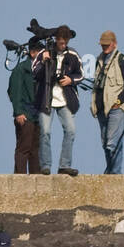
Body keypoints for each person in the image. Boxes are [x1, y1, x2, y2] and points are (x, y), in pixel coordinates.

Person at [90, 30, 124, 175]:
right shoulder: (99, 60)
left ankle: (114, 173)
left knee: (113, 143)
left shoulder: (123, 60)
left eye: (107, 45)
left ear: (114, 44)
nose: (104, 48)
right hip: (101, 108)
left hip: (116, 107)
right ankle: (111, 172)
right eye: (103, 45)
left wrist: (119, 101)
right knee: (105, 144)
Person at [35, 26, 82, 176]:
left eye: (65, 42)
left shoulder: (73, 54)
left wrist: (70, 79)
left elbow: (81, 74)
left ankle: (64, 165)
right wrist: (44, 62)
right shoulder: (44, 52)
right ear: (56, 40)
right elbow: (35, 72)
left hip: (65, 99)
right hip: (46, 98)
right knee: (45, 132)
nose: (63, 45)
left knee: (71, 130)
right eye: (60, 42)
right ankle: (45, 165)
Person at [8, 38, 44, 174]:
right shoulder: (21, 69)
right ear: (33, 52)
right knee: (24, 147)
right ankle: (20, 178)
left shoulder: (40, 70)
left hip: (37, 115)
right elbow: (14, 92)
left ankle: (36, 177)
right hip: (25, 114)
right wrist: (18, 112)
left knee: (36, 149)